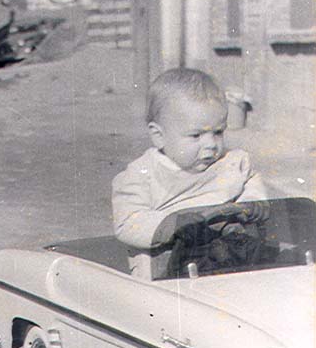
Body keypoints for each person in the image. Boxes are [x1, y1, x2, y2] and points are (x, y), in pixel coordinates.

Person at [112, 68, 267, 277]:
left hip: (230, 262)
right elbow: (127, 222)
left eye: (218, 132)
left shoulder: (232, 162)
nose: (211, 145)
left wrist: (252, 202)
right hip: (168, 271)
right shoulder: (142, 175)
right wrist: (169, 226)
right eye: (196, 135)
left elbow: (249, 180)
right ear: (159, 136)